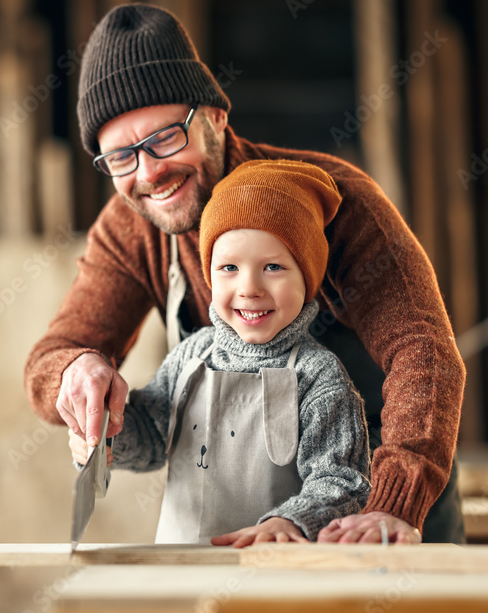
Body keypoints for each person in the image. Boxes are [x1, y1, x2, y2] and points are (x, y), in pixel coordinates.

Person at [25, 3, 466, 544]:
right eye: (121, 157)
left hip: (379, 508)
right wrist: (76, 373)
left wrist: (395, 504)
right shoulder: (130, 228)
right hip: (230, 537)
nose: (149, 172)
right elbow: (49, 360)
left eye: (165, 137)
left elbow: (425, 350)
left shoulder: (336, 201)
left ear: (215, 117)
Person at [68, 159, 371, 545]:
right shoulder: (190, 356)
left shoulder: (319, 377)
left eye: (274, 267)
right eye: (229, 267)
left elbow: (341, 481)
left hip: (276, 576)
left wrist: (291, 522)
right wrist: (108, 435)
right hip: (181, 574)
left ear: (308, 277)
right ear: (209, 273)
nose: (249, 288)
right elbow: (150, 439)